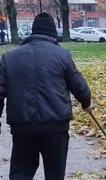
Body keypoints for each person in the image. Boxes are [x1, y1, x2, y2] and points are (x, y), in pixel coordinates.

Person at [0, 12, 92, 180]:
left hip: (22, 127)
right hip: (55, 126)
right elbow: (79, 86)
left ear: (32, 32)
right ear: (52, 34)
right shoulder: (63, 56)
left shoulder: (8, 58)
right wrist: (86, 102)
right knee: (55, 173)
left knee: (21, 172)